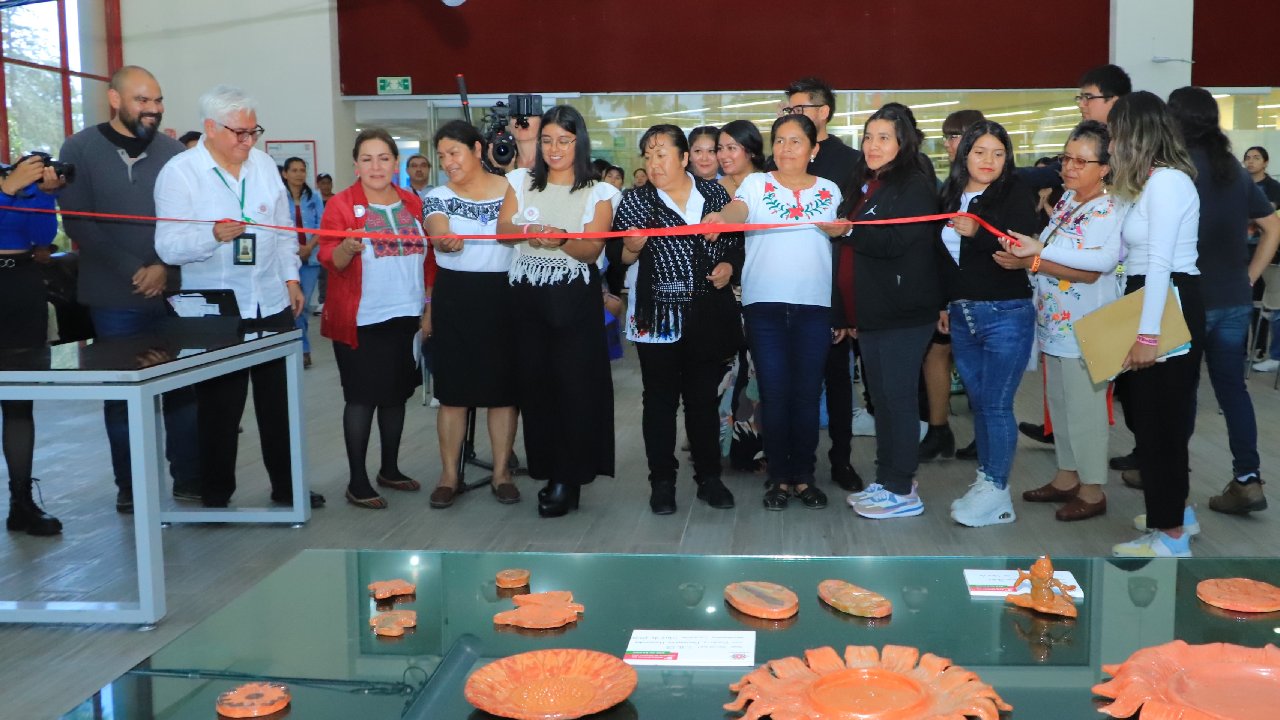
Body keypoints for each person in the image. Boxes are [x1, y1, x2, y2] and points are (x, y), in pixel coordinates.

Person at [154, 85, 320, 509]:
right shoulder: (180, 172)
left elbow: (283, 229)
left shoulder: (264, 166)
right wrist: (209, 235)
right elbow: (168, 247)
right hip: (217, 309)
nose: (248, 141)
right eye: (239, 133)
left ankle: (288, 488)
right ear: (210, 128)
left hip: (270, 300)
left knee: (279, 404)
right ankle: (216, 494)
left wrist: (291, 280)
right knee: (219, 409)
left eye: (253, 131)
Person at [57, 65, 199, 513]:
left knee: (182, 389)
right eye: (143, 100)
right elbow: (79, 221)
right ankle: (132, 486)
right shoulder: (79, 148)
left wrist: (162, 266)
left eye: (157, 100)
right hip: (114, 297)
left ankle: (189, 480)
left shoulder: (175, 153)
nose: (153, 109)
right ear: (115, 100)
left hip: (172, 292)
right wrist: (135, 269)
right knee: (123, 397)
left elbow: (187, 221)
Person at [702, 114, 846, 510]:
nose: (786, 149)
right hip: (764, 306)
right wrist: (721, 218)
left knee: (805, 394)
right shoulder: (757, 182)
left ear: (814, 149)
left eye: (796, 142)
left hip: (814, 307)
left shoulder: (829, 190)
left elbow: (838, 231)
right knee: (775, 393)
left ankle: (804, 477)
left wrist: (841, 230)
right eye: (780, 141)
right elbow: (739, 209)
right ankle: (780, 478)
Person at [495, 105, 619, 518]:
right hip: (524, 299)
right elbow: (503, 232)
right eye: (547, 140)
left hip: (572, 302)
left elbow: (592, 250)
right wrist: (529, 231)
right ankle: (549, 470)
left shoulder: (599, 191)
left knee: (575, 390)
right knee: (537, 388)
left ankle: (570, 476)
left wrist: (563, 239)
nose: (554, 148)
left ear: (578, 142)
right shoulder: (521, 180)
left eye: (564, 140)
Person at [612, 124, 742, 515]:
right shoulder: (636, 200)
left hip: (706, 313)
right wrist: (632, 248)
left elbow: (735, 240)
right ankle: (662, 481)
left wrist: (727, 266)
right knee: (660, 402)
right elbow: (620, 258)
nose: (653, 164)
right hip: (657, 314)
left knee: (703, 400)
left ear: (684, 158)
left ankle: (709, 477)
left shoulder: (714, 193)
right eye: (648, 156)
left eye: (662, 154)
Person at [999, 120, 1124, 523]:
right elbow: (1052, 251)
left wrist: (1032, 258)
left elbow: (1090, 271)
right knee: (1062, 406)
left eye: (1080, 161)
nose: (1069, 167)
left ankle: (1092, 489)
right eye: (1066, 158)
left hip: (1090, 325)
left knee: (1086, 411)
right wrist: (1026, 253)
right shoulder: (1069, 200)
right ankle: (1067, 477)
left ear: (1104, 167)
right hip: (1056, 322)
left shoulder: (1110, 207)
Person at [1101, 92, 1204, 557]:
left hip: (1166, 300)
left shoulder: (1168, 183)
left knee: (1161, 420)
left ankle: (1171, 534)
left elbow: (1160, 261)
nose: (1111, 143)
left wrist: (1147, 335)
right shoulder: (1147, 183)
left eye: (1116, 132)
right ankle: (1174, 512)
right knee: (1148, 416)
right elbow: (1120, 256)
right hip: (1150, 297)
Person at [1168, 87, 1279, 515]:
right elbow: (1272, 227)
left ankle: (1171, 475)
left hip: (1190, 300)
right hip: (1233, 298)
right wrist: (1249, 278)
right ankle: (1247, 478)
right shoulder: (1231, 167)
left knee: (1183, 390)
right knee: (1233, 390)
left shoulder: (1177, 170)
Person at [837, 105, 942, 520]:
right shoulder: (867, 184)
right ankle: (886, 479)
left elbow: (897, 242)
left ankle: (902, 488)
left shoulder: (913, 185)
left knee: (897, 400)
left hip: (903, 311)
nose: (873, 145)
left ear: (902, 143)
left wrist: (848, 230)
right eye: (868, 137)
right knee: (882, 398)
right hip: (873, 310)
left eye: (884, 137)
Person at [932, 120, 1039, 527]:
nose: (989, 161)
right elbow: (943, 255)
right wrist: (945, 303)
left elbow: (1021, 243)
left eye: (998, 153)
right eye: (980, 152)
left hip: (1005, 311)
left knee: (995, 405)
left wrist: (979, 231)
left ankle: (996, 488)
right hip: (962, 313)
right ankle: (987, 482)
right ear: (964, 155)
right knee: (981, 405)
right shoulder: (950, 193)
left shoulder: (1014, 193)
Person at [317, 129, 429, 509]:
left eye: (384, 158)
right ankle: (357, 481)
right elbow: (328, 259)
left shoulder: (413, 204)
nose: (376, 166)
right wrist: (347, 247)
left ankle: (390, 469)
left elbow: (429, 261)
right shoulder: (342, 206)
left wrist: (428, 307)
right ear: (356, 165)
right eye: (367, 159)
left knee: (396, 395)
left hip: (406, 314)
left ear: (396, 164)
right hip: (362, 319)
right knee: (362, 399)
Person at [422, 120, 520, 508]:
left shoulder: (513, 189)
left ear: (478, 150)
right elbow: (436, 226)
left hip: (504, 295)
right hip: (455, 297)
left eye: (454, 153)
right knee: (452, 394)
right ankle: (449, 475)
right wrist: (443, 239)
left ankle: (501, 473)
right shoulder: (437, 195)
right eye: (442, 155)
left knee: (502, 392)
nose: (448, 162)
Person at [780, 76, 864, 492]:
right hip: (790, 292)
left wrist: (847, 306)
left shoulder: (850, 162)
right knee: (792, 382)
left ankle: (842, 460)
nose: (792, 121)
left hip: (835, 288)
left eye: (799, 110)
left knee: (838, 381)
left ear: (823, 112)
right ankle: (794, 467)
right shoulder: (777, 164)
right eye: (787, 112)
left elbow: (853, 235)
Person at [1, 156, 63, 536]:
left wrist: (44, 193)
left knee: (20, 400)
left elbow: (41, 237)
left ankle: (20, 502)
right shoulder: (9, 182)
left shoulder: (14, 173)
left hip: (21, 286)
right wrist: (7, 190)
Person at [920, 108, 984, 462]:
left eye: (955, 135)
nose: (948, 143)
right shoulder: (948, 188)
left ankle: (985, 431)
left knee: (978, 364)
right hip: (948, 289)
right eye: (946, 136)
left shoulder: (999, 189)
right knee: (936, 352)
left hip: (986, 292)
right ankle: (938, 429)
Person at [282, 156, 325, 368]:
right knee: (290, 305)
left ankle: (302, 348)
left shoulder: (313, 196)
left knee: (303, 305)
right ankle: (297, 349)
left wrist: (309, 247)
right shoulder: (279, 196)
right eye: (294, 170)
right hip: (286, 259)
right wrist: (295, 249)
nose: (299, 174)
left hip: (311, 258)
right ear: (285, 174)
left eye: (302, 170)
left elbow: (322, 225)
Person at [716, 119, 766, 198]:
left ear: (751, 151)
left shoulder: (769, 186)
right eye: (720, 148)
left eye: (731, 148)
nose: (723, 156)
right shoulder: (714, 190)